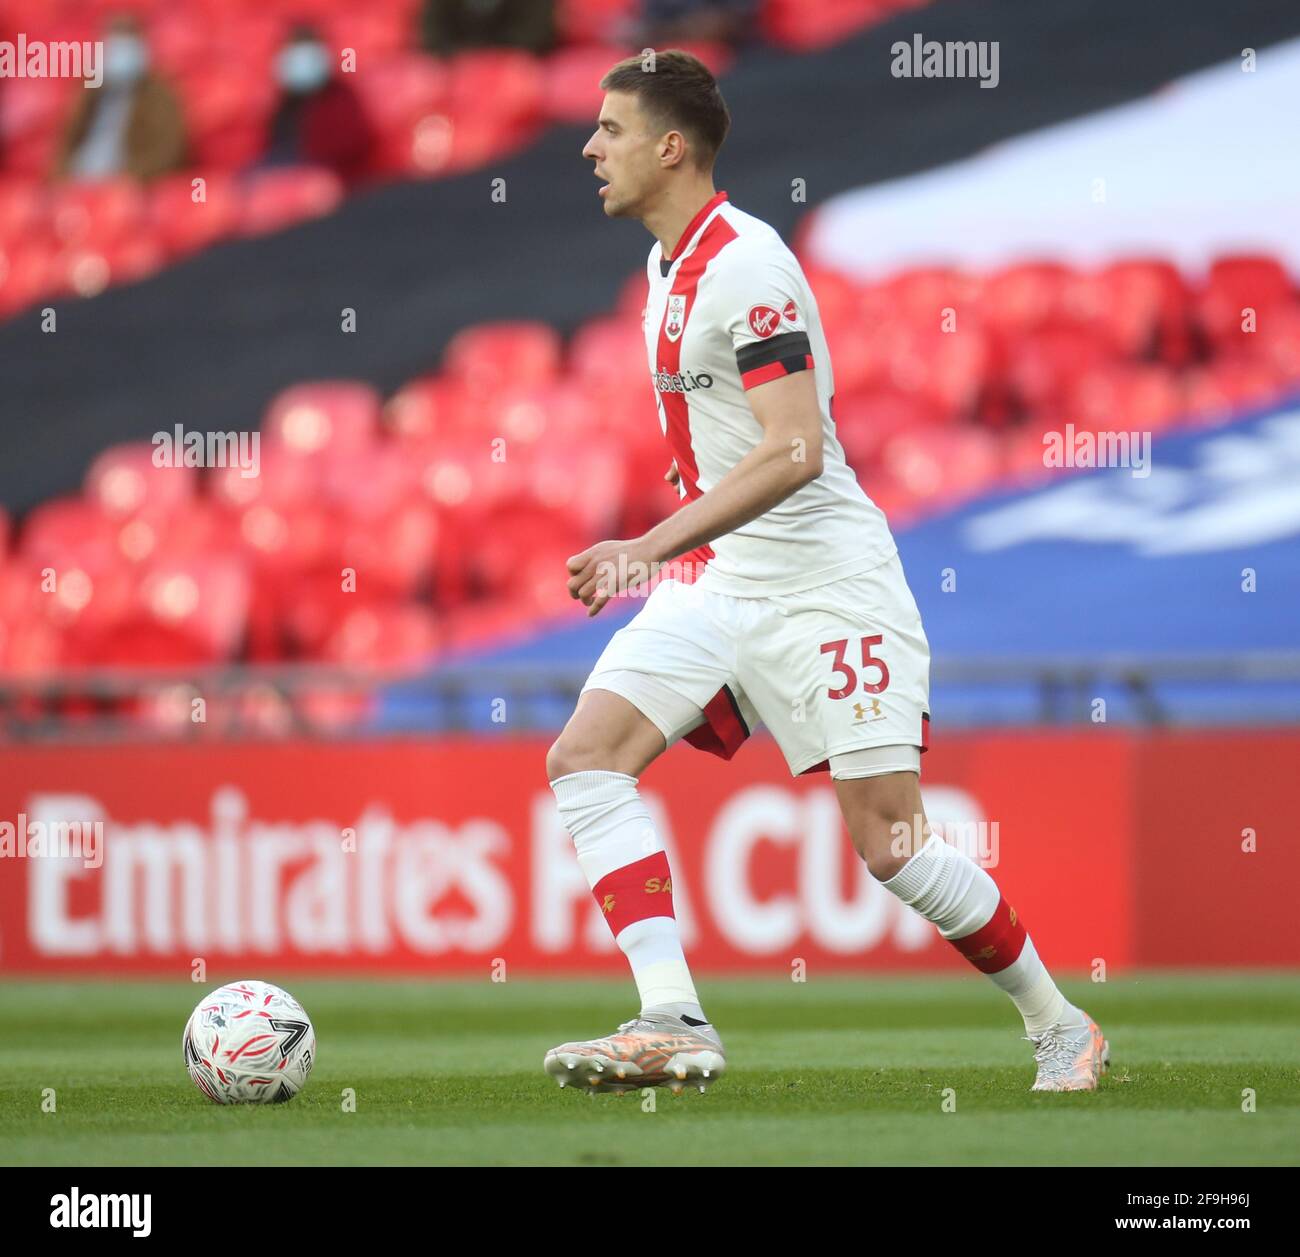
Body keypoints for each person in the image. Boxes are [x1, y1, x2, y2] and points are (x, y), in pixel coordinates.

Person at [543, 50, 1109, 1096]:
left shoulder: (747, 266)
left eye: (610, 130)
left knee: (890, 845)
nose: (590, 147)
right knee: (584, 758)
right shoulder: (667, 268)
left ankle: (1059, 1022)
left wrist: (645, 546)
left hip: (824, 587)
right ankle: (671, 1017)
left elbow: (796, 447)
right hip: (724, 582)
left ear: (671, 147)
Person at [56, 14, 186, 182]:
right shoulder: (88, 93)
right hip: (80, 182)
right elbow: (63, 147)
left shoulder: (160, 96)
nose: (119, 56)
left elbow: (168, 153)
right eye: (114, 48)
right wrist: (62, 177)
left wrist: (131, 177)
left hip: (129, 184)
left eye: (126, 48)